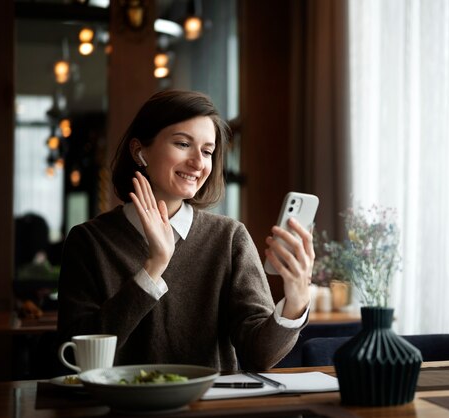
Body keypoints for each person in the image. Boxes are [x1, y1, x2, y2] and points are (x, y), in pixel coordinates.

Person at [58, 90, 314, 371]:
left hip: (208, 409)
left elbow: (259, 355)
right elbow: (75, 354)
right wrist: (152, 270)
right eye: (182, 144)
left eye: (207, 151)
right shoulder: (89, 241)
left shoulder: (228, 238)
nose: (198, 162)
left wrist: (296, 300)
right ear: (139, 151)